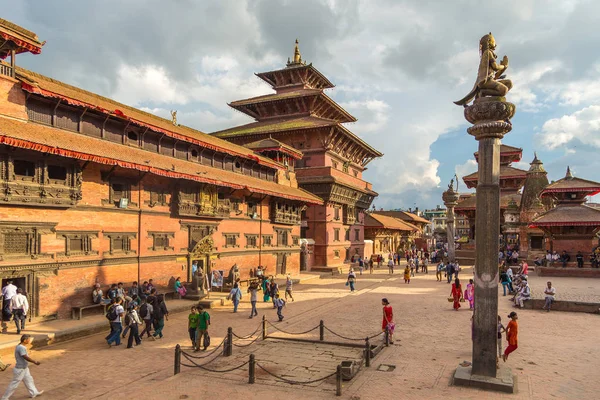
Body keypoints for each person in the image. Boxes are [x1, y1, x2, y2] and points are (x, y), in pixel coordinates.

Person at [0, 334, 43, 399]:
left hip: (24, 368)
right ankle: (4, 398)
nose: (29, 340)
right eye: (28, 339)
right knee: (14, 384)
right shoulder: (21, 348)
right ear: (25, 340)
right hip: (20, 370)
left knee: (29, 380)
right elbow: (25, 357)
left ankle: (34, 392)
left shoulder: (20, 346)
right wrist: (34, 361)